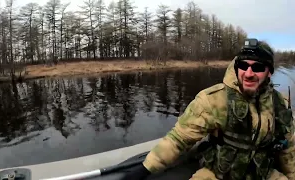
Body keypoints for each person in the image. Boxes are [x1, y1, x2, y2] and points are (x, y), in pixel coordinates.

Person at [122, 38, 295, 180]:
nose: (249, 73)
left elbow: (289, 148)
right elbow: (179, 139)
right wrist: (145, 169)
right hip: (219, 173)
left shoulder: (279, 104)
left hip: (262, 174)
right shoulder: (213, 100)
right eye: (243, 66)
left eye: (257, 67)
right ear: (237, 68)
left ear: (269, 72)